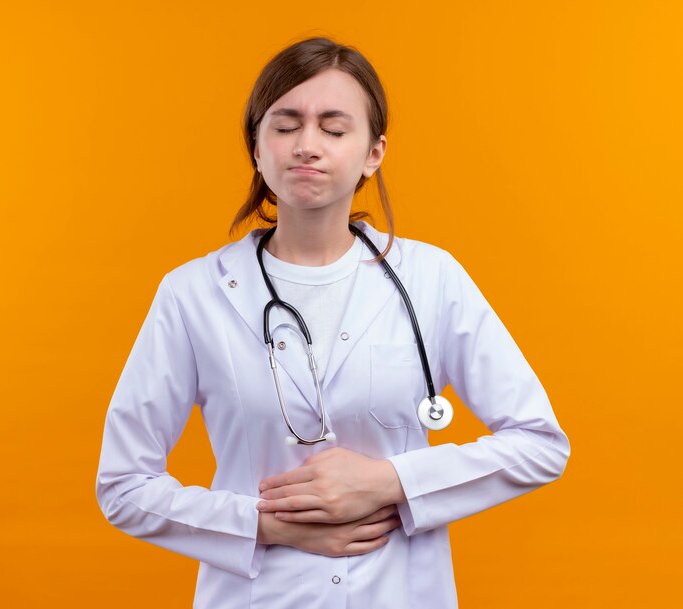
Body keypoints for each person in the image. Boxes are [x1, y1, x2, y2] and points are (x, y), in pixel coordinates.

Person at [95, 37, 570, 608]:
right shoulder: (192, 295)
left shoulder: (432, 278)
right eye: (286, 125)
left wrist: (389, 483)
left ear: (374, 152)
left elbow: (540, 444)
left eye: (334, 128)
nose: (307, 146)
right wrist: (263, 524)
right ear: (256, 146)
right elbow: (123, 486)